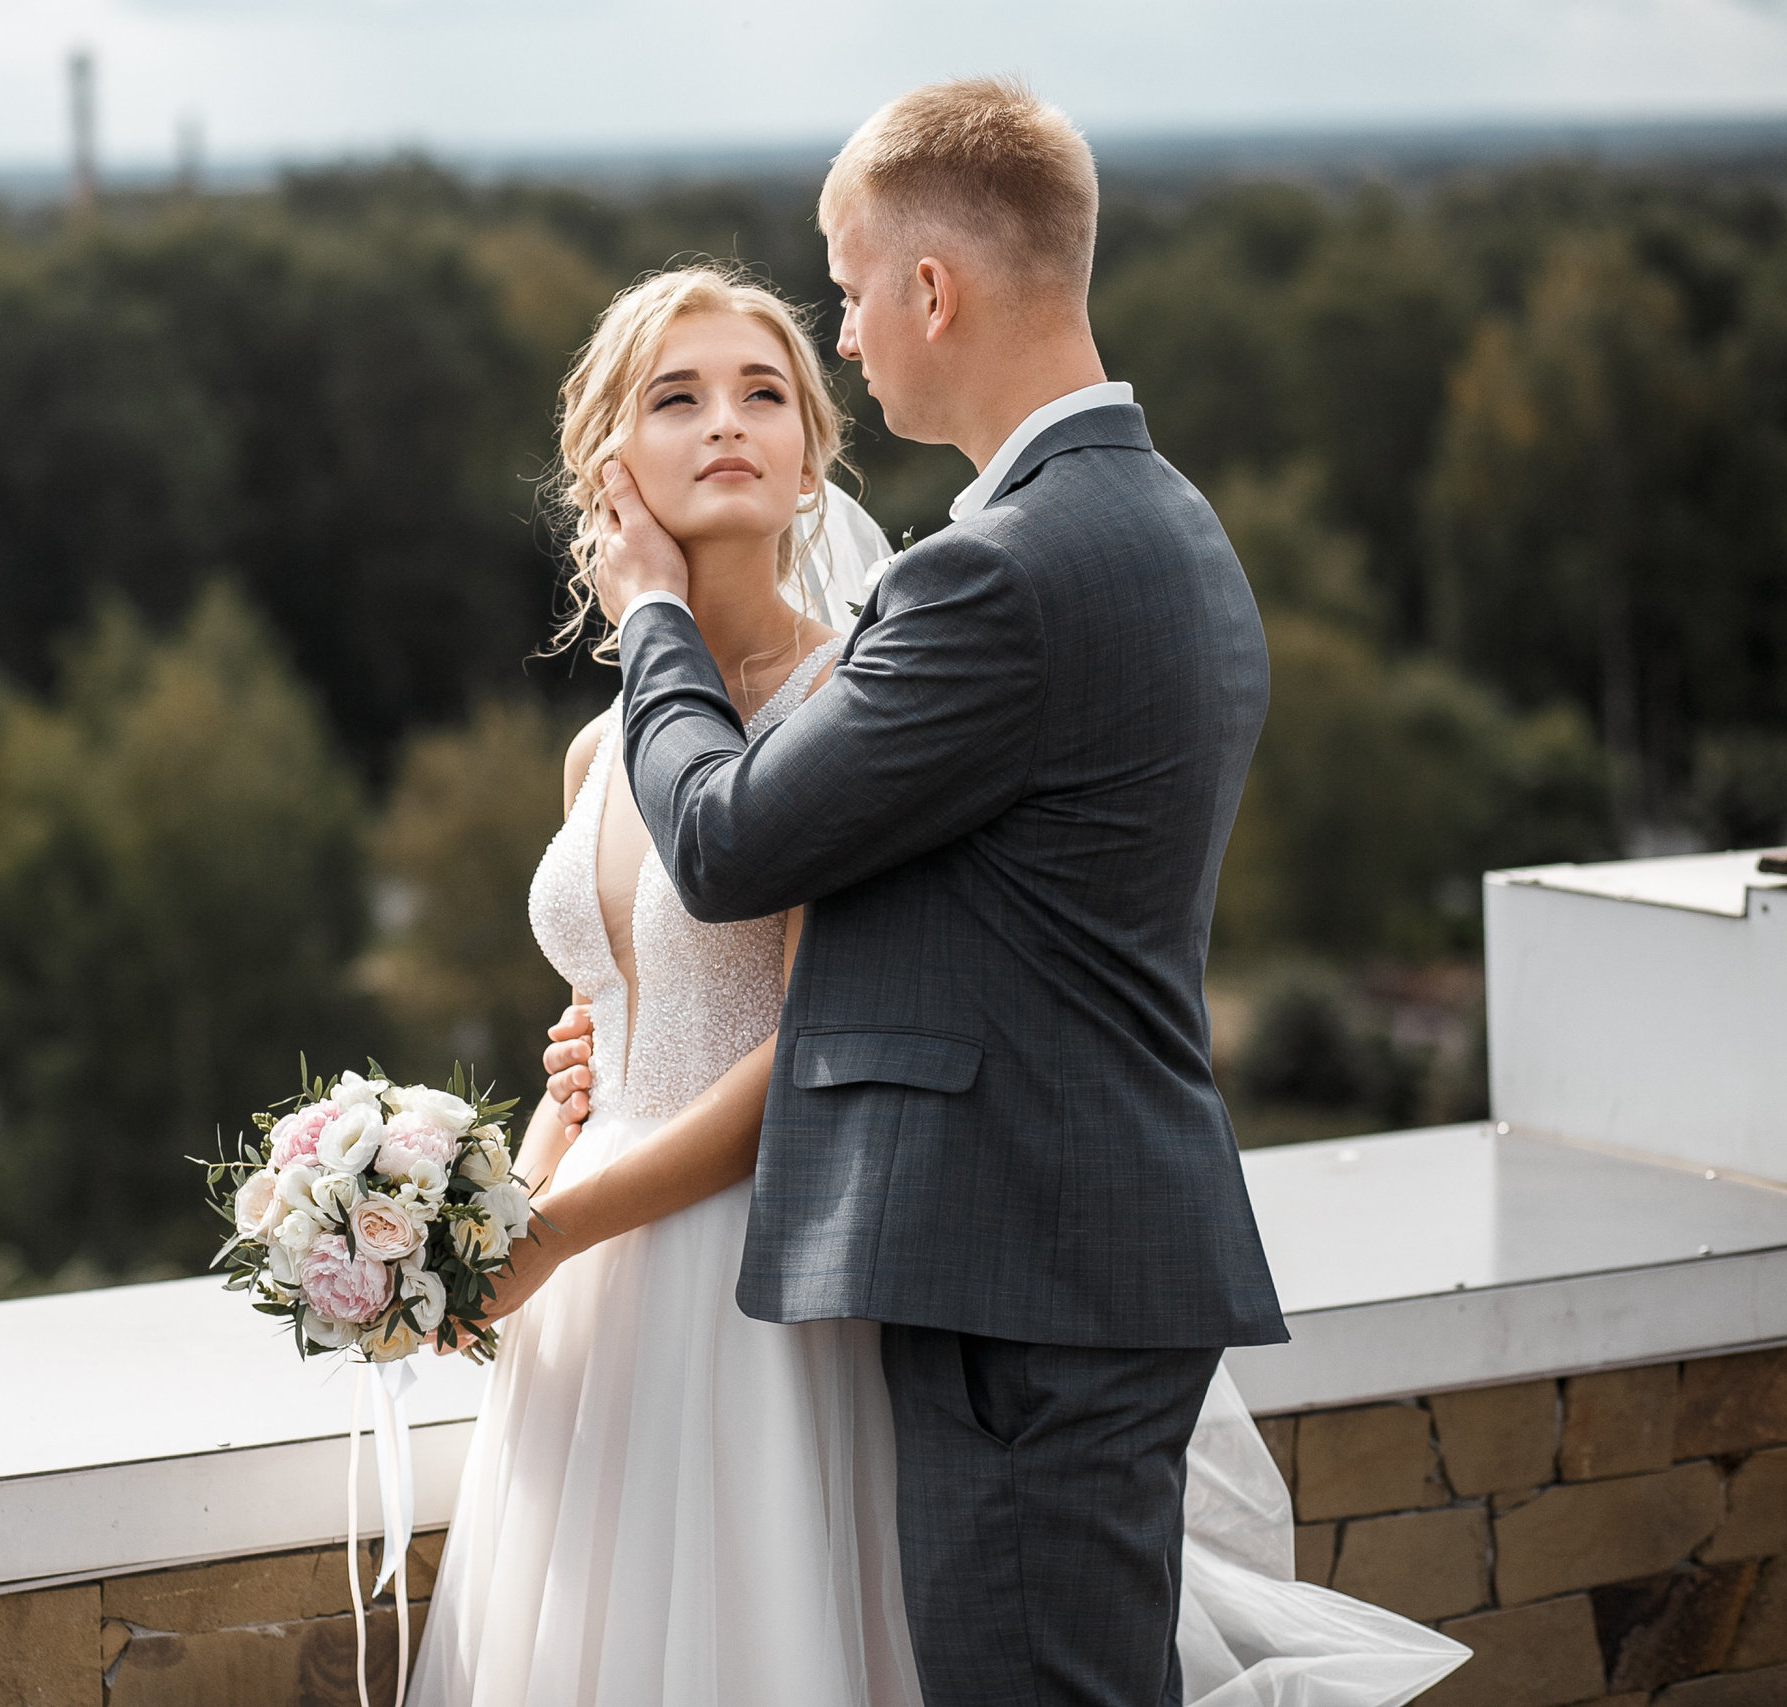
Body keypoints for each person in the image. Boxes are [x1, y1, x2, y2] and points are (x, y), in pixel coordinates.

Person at [415, 81, 1468, 1707]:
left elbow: (735, 849)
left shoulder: (986, 577)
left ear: (930, 291)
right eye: (681, 395)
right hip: (1022, 1257)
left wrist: (647, 624)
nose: (840, 341)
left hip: (1004, 1281)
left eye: (838, 302)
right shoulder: (1162, 522)